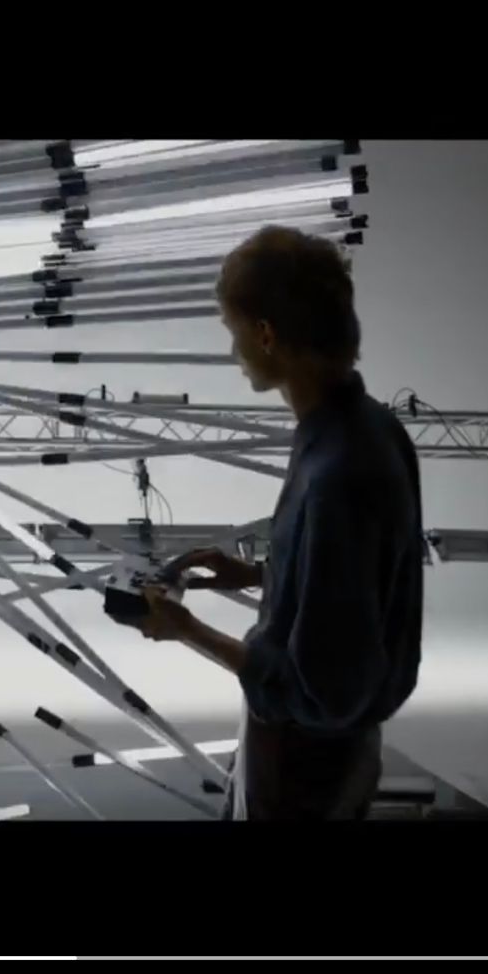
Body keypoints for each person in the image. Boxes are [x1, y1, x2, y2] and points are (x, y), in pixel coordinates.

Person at [139, 225, 424, 821]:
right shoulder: (371, 427)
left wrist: (184, 628)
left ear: (266, 335)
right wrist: (265, 574)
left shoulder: (334, 474)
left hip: (304, 770)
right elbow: (352, 594)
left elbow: (308, 689)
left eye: (233, 332)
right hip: (341, 751)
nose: (232, 351)